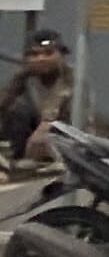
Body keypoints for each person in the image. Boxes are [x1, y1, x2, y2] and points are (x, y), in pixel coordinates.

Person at [0, 32, 70, 169]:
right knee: (18, 110)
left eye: (48, 53)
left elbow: (57, 104)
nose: (41, 59)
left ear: (60, 55)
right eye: (35, 54)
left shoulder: (71, 80)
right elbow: (4, 101)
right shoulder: (24, 78)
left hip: (61, 137)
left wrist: (44, 127)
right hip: (30, 139)